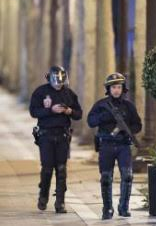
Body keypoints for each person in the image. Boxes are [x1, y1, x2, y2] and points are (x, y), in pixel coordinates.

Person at [87, 73, 142, 220]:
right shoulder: (101, 105)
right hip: (106, 145)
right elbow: (90, 121)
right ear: (108, 89)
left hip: (124, 145)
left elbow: (138, 124)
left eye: (118, 87)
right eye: (113, 87)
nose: (116, 90)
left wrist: (128, 130)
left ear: (123, 88)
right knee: (106, 178)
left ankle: (123, 207)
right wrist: (103, 117)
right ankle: (107, 208)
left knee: (128, 176)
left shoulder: (129, 106)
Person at [29, 65, 82, 213]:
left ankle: (60, 202)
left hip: (63, 135)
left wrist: (69, 111)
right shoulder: (41, 92)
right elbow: (33, 111)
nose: (58, 84)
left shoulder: (69, 94)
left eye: (61, 82)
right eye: (55, 81)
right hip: (46, 135)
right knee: (47, 168)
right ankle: (43, 196)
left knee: (61, 168)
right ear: (49, 79)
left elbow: (79, 114)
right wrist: (49, 110)